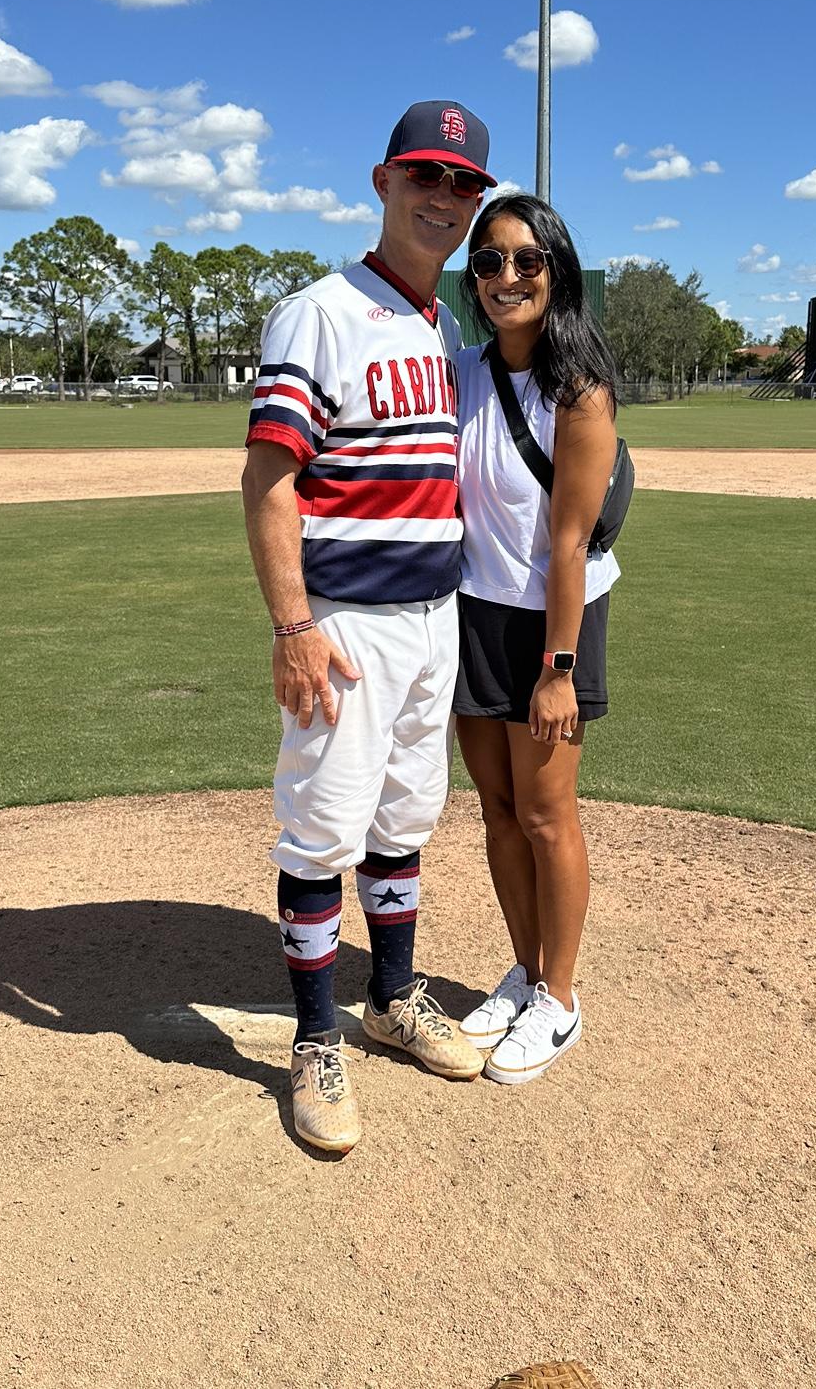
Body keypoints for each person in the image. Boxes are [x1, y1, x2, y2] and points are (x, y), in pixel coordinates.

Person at [241, 101, 496, 1153]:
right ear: (384, 181)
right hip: (344, 619)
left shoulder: (444, 327)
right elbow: (267, 478)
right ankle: (314, 1039)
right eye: (426, 176)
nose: (444, 198)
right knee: (323, 826)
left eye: (463, 185)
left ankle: (391, 996)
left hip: (433, 615)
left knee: (404, 818)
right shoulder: (319, 313)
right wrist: (293, 624)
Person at [450, 193, 621, 1084]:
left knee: (549, 815)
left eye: (524, 260)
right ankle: (522, 971)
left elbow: (567, 542)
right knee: (499, 811)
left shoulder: (579, 393)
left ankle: (559, 998)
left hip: (555, 624)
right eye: (488, 262)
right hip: (474, 615)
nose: (505, 278)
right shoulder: (466, 373)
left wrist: (556, 671)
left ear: (556, 269)